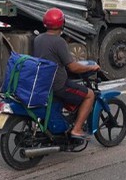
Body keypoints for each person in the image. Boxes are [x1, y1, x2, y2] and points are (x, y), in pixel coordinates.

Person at [33, 8, 100, 141]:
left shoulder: (38, 39)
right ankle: (76, 129)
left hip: (44, 84)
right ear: (62, 24)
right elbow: (73, 67)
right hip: (58, 85)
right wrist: (91, 67)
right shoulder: (59, 42)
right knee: (90, 95)